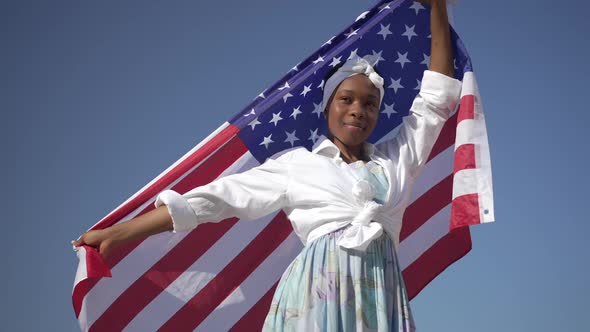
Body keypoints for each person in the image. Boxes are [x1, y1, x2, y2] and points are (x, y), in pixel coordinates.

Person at [74, 1, 460, 330]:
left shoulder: (397, 160)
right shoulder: (297, 166)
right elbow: (213, 200)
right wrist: (121, 233)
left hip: (379, 295)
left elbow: (435, 101)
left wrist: (438, 8)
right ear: (328, 106)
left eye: (369, 103)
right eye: (347, 99)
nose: (358, 110)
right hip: (314, 297)